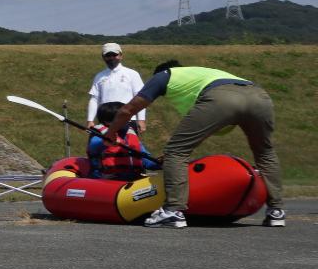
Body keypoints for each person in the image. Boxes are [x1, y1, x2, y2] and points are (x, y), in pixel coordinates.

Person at [106, 61, 285, 228]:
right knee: (265, 152)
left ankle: (173, 210)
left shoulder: (163, 75)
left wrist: (111, 132)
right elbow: (216, 128)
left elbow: (127, 110)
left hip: (222, 97)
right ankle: (276, 211)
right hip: (259, 96)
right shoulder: (199, 75)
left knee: (176, 150)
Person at [87, 102, 154, 181]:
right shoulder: (99, 137)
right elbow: (93, 148)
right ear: (107, 121)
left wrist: (162, 162)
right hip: (109, 179)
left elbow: (145, 159)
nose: (128, 119)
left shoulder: (130, 134)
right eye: (123, 117)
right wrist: (105, 142)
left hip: (134, 179)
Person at [86, 42, 144, 130]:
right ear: (103, 57)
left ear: (121, 55)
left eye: (114, 55)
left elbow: (140, 98)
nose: (111, 58)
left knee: (128, 144)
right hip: (105, 121)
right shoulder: (99, 76)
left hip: (128, 119)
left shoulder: (132, 74)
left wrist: (141, 119)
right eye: (108, 55)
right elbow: (94, 99)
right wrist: (90, 120)